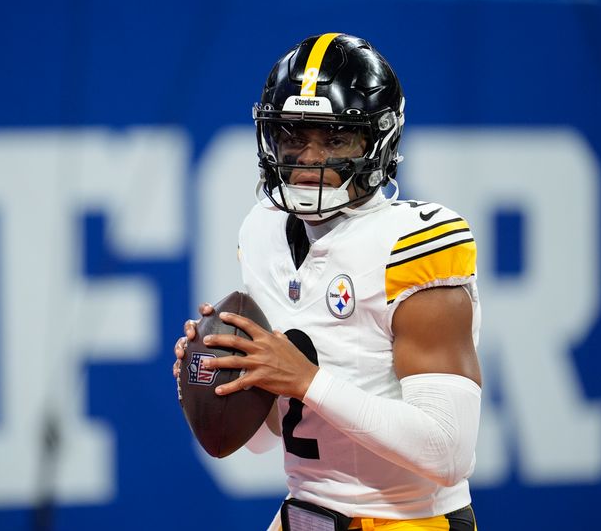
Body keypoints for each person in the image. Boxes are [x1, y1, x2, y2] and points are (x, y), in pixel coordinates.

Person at [173, 33, 482, 531]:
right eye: (294, 135)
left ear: (378, 143)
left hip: (407, 520)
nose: (311, 158)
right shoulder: (262, 231)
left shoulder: (414, 242)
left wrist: (307, 380)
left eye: (335, 138)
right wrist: (228, 377)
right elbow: (268, 435)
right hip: (306, 513)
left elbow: (449, 452)